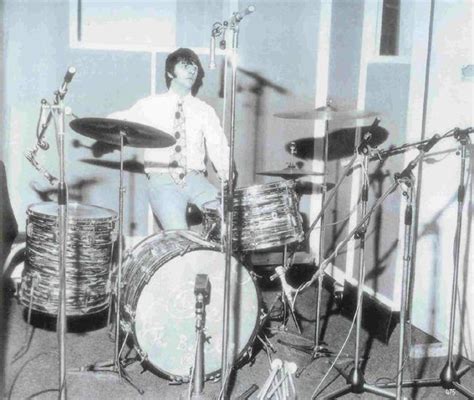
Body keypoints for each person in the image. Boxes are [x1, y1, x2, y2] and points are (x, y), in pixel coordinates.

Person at [109, 48, 230, 230]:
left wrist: (226, 174)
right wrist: (98, 125)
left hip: (196, 179)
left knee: (228, 222)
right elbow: (123, 119)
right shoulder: (150, 104)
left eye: (195, 67)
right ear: (169, 72)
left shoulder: (204, 110)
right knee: (179, 236)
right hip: (163, 180)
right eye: (185, 66)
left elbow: (218, 144)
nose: (192, 71)